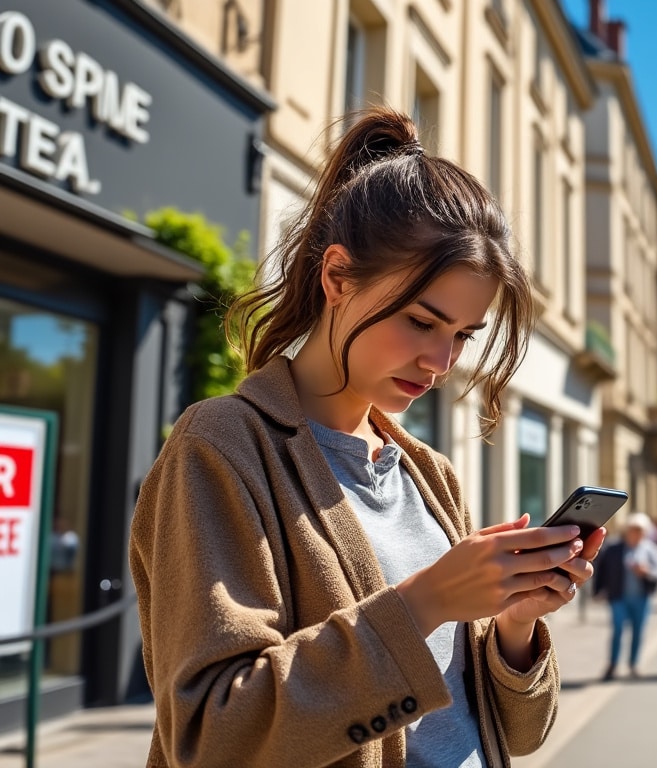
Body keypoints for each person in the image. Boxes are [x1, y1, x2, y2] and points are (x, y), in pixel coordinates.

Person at [128, 109, 600, 767]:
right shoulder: (223, 445)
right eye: (421, 322)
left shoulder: (429, 473)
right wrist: (427, 601)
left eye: (463, 336)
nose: (442, 362)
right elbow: (211, 737)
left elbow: (514, 735)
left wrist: (515, 625)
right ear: (337, 278)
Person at [592, 513, 657, 681]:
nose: (636, 534)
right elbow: (602, 570)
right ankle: (613, 664)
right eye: (633, 530)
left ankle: (634, 663)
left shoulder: (650, 549)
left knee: (638, 631)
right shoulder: (613, 548)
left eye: (639, 530)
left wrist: (647, 572)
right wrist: (598, 591)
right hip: (618, 596)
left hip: (641, 597)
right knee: (618, 629)